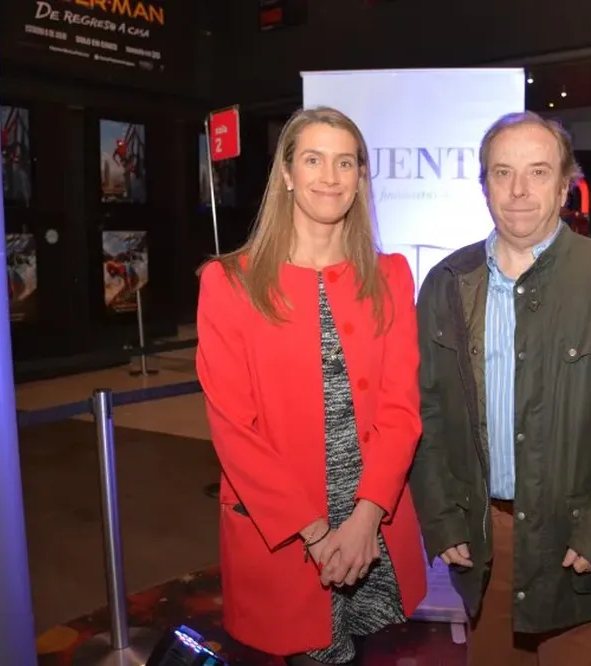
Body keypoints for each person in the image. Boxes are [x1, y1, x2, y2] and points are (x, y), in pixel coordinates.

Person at [409, 111, 591, 666]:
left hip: (578, 543)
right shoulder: (447, 284)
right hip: (487, 542)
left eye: (537, 172)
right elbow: (427, 412)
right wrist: (440, 518)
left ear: (564, 186)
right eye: (502, 172)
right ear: (483, 185)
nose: (518, 190)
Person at [196, 106, 426, 665]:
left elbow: (402, 409)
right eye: (314, 159)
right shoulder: (228, 283)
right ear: (287, 173)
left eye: (345, 162)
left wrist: (367, 517)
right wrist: (320, 534)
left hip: (373, 522)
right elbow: (234, 429)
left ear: (360, 178)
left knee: (364, 651)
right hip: (291, 534)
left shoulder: (391, 275)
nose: (330, 176)